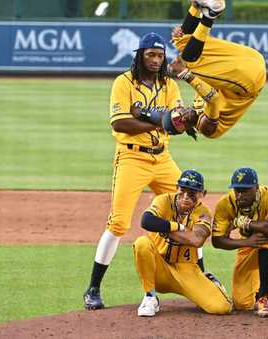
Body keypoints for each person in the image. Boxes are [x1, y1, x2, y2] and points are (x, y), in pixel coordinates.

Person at [82, 32, 205, 310]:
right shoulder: (123, 83)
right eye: (150, 54)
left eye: (160, 55)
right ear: (139, 55)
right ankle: (93, 288)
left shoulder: (168, 85)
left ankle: (201, 271)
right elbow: (120, 124)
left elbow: (176, 122)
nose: (155, 59)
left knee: (193, 210)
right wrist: (159, 121)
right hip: (131, 158)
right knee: (118, 224)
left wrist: (149, 116)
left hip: (163, 160)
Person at [133, 169, 232, 316]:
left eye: (192, 193)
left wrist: (163, 227)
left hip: (187, 270)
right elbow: (146, 221)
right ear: (176, 188)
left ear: (202, 194)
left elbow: (196, 239)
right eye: (183, 191)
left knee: (221, 307)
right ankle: (150, 297)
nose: (185, 197)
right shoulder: (163, 201)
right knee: (142, 243)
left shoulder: (203, 213)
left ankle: (210, 282)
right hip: (160, 269)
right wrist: (177, 227)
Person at [163, 0, 266, 139]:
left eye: (176, 116)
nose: (182, 118)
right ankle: (210, 15)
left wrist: (181, 43)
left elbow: (204, 71)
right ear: (185, 130)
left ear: (177, 107)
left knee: (180, 41)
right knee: (189, 62)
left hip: (251, 58)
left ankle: (197, 6)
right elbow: (214, 99)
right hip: (248, 81)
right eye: (179, 124)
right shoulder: (205, 129)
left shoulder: (196, 102)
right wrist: (184, 73)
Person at [212, 167, 268, 317]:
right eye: (237, 190)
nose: (240, 195)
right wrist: (246, 242)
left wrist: (246, 223)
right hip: (248, 245)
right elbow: (217, 240)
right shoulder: (226, 204)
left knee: (265, 236)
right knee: (242, 304)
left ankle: (264, 298)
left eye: (245, 190)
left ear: (256, 187)